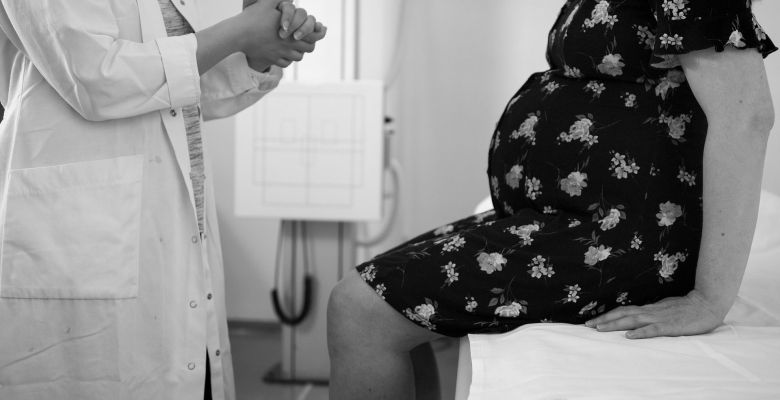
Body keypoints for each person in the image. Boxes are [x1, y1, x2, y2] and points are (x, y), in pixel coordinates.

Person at [328, 0, 776, 399]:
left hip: (625, 236)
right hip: (575, 216)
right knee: (371, 287)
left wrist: (709, 299)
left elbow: (746, 117)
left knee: (360, 309)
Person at [0, 0, 325, 399]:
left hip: (178, 211)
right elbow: (95, 78)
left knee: (192, 371)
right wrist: (238, 32)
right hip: (84, 226)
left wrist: (256, 52)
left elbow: (181, 88)